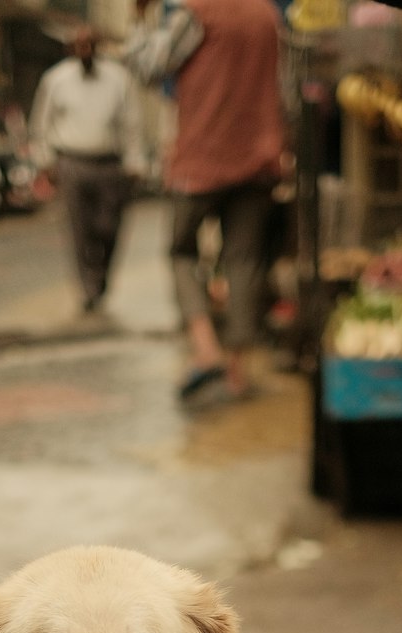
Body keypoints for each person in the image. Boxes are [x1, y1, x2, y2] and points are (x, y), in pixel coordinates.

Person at [124, 0, 285, 401]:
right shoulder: (267, 14)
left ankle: (206, 349)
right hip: (259, 158)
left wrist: (139, 23)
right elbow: (288, 85)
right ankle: (237, 369)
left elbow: (150, 67)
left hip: (202, 159)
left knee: (180, 251)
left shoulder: (196, 13)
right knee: (244, 260)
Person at [28, 27, 145, 314]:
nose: (84, 50)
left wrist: (135, 162)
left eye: (89, 45)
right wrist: (46, 163)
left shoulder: (119, 79)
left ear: (97, 46)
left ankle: (102, 275)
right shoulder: (55, 79)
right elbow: (40, 125)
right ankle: (88, 286)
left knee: (108, 227)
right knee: (79, 230)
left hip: (110, 165)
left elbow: (132, 125)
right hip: (72, 163)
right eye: (78, 45)